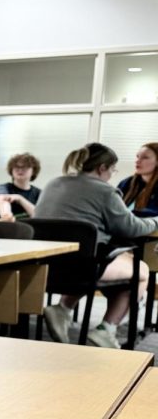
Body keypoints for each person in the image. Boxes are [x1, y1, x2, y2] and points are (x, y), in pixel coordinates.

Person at [36, 143, 158, 348]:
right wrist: (156, 221)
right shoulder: (105, 191)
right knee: (141, 271)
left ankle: (62, 309)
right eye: (112, 170)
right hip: (83, 267)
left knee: (105, 261)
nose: (112, 175)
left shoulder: (53, 183)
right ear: (102, 168)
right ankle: (106, 329)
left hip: (44, 267)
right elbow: (131, 227)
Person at [0, 152, 42, 220]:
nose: (20, 170)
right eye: (16, 167)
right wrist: (7, 215)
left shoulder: (39, 193)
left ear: (33, 171)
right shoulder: (3, 188)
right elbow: (2, 201)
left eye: (25, 167)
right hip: (7, 227)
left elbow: (39, 215)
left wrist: (20, 199)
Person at [117, 142, 158, 218]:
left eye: (145, 157)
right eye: (137, 156)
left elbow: (154, 213)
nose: (137, 161)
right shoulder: (126, 183)